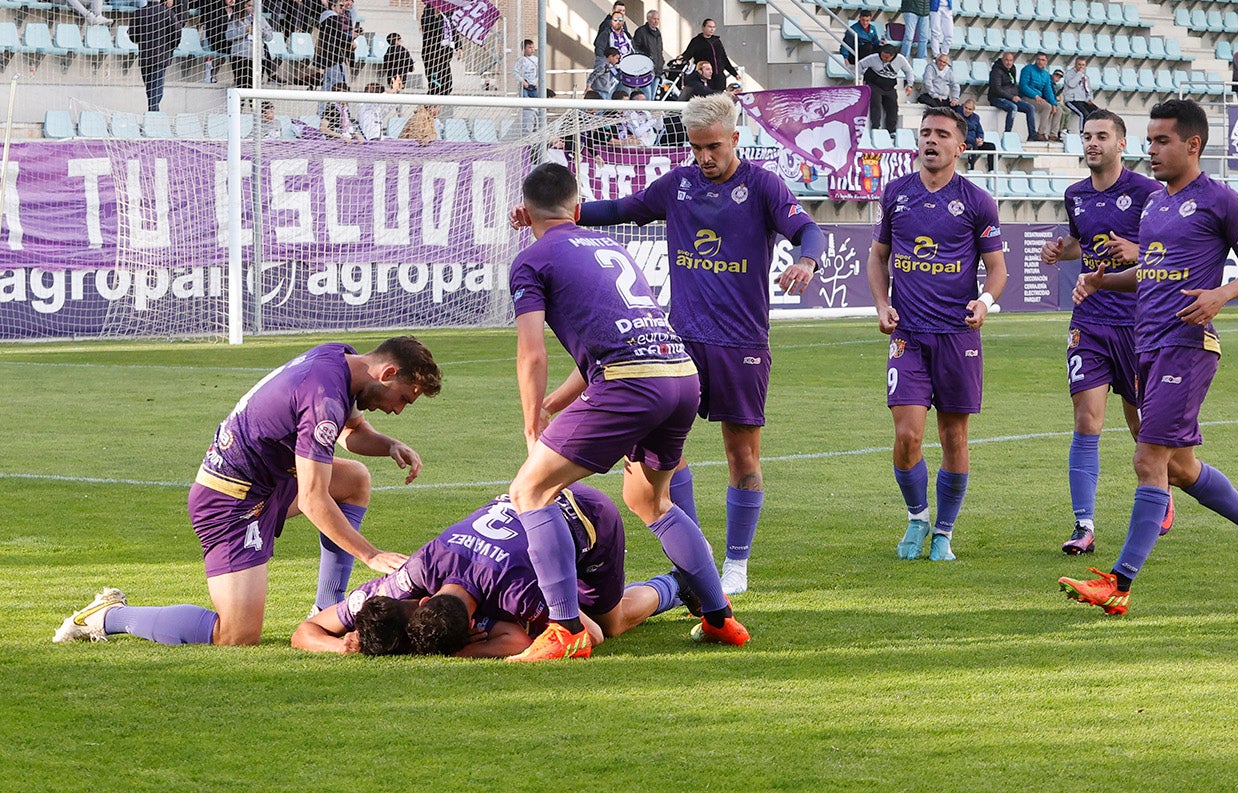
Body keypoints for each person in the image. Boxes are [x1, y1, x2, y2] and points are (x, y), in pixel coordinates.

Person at [569, 94, 825, 595]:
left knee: (743, 456)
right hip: (679, 343)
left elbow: (808, 230)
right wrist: (563, 212)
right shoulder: (678, 186)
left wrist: (807, 261)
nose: (704, 157)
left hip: (741, 343)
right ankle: (697, 550)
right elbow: (622, 208)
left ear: (734, 138)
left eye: (713, 147)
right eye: (695, 148)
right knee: (663, 452)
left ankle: (736, 564)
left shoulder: (763, 186)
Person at [502, 162, 751, 661]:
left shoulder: (532, 260)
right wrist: (557, 403)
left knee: (530, 490)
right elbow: (617, 338)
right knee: (650, 502)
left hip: (630, 383)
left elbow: (532, 353)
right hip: (680, 375)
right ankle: (719, 616)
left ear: (525, 212)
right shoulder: (609, 247)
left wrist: (533, 420)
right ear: (577, 209)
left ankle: (566, 630)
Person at [53, 338, 443, 647]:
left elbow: (351, 433)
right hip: (229, 501)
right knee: (237, 636)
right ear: (388, 372)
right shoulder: (324, 394)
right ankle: (107, 615)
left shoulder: (341, 361)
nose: (398, 410)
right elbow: (311, 499)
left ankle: (327, 610)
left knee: (354, 479)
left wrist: (388, 444)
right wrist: (370, 554)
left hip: (266, 484)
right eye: (404, 398)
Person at [1059, 98, 1238, 616]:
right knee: (1181, 469)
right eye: (1150, 139)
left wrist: (1221, 295)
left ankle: (1118, 585)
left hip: (1187, 344)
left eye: (1162, 141)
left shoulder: (1221, 201)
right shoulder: (1156, 204)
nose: (1151, 149)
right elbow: (1150, 272)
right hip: (1147, 343)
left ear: (1193, 144)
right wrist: (1101, 280)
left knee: (1148, 460)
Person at [292, 484, 688, 657]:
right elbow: (307, 631)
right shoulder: (413, 574)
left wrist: (467, 651)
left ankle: (675, 583)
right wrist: (340, 644)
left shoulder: (516, 591)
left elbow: (591, 635)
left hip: (587, 518)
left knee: (612, 621)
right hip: (526, 508)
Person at [866, 105, 1008, 562]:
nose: (931, 140)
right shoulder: (896, 194)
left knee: (954, 438)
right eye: (925, 132)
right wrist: (883, 304)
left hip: (957, 336)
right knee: (907, 435)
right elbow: (877, 257)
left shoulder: (976, 201)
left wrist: (984, 302)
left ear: (959, 146)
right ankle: (917, 518)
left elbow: (998, 268)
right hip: (908, 335)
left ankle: (944, 532)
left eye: (942, 134)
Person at [1039, 110, 1162, 556]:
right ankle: (1084, 526)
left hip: (1138, 322)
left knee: (1140, 422)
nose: (1092, 143)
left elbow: (1171, 248)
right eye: (1087, 136)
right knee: (1087, 420)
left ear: (1121, 144)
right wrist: (1060, 248)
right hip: (1089, 318)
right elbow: (1081, 242)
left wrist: (1140, 250)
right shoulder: (1076, 195)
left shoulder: (1148, 192)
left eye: (1101, 136)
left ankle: (1159, 487)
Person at [129, 0, 180, 112]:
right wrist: (170, 46)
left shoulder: (139, 13)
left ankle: (153, 112)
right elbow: (177, 32)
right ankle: (153, 113)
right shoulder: (168, 13)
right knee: (156, 88)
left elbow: (133, 36)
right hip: (162, 56)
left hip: (146, 56)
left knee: (150, 87)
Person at [858, 44, 916, 133]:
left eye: (886, 57)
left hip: (889, 86)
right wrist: (859, 76)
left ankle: (891, 131)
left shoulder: (900, 59)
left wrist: (910, 84)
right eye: (882, 56)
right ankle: (875, 127)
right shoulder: (874, 57)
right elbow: (860, 64)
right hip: (874, 84)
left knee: (893, 107)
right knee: (876, 103)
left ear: (892, 56)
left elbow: (909, 71)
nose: (883, 59)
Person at [681, 19, 738, 93]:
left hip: (719, 76)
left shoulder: (717, 41)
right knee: (708, 95)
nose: (712, 29)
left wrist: (734, 73)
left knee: (719, 97)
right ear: (703, 27)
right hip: (706, 77)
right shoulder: (696, 41)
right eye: (709, 27)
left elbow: (724, 59)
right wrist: (682, 57)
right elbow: (688, 54)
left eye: (714, 27)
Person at [988, 51, 1036, 139]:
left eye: (1011, 60)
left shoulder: (1012, 69)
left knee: (1030, 107)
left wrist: (1017, 96)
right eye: (1006, 60)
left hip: (1010, 97)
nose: (1009, 62)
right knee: (1013, 107)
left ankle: (1032, 135)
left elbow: (1012, 84)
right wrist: (1011, 97)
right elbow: (997, 89)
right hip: (996, 98)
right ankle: (1007, 134)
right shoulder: (996, 71)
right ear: (1002, 60)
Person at [1018, 52, 1061, 142]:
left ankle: (1053, 135)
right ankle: (1040, 133)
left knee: (1058, 109)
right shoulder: (1027, 69)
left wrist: (1054, 103)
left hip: (1038, 97)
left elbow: (1048, 90)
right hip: (1026, 96)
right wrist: (1035, 95)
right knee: (1047, 107)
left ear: (1046, 62)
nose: (1040, 62)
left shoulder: (1045, 74)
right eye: (1038, 59)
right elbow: (1023, 86)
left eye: (1042, 60)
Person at [420, 3, 455, 96]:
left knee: (447, 86)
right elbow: (428, 26)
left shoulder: (448, 14)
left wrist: (459, 47)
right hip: (431, 55)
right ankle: (429, 107)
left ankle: (436, 106)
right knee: (435, 86)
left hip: (445, 55)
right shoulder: (429, 12)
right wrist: (436, 14)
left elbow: (453, 31)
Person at [1061, 56, 1096, 132]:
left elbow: (1088, 89)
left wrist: (1089, 98)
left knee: (1097, 112)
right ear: (1075, 64)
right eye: (1079, 64)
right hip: (1072, 100)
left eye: (1083, 65)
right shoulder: (1069, 74)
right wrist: (1079, 74)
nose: (1081, 67)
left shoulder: (1085, 76)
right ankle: (1082, 132)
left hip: (1083, 100)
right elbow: (1071, 84)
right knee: (1084, 114)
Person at [633, 9, 666, 88]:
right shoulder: (641, 31)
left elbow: (659, 50)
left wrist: (661, 62)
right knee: (647, 95)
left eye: (658, 19)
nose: (656, 21)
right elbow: (635, 48)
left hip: (657, 70)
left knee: (653, 97)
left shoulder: (658, 33)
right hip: (646, 70)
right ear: (648, 19)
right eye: (654, 19)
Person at [961, 99, 996, 171]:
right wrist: (974, 140)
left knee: (991, 146)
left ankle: (991, 170)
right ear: (963, 106)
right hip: (964, 142)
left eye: (969, 109)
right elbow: (961, 133)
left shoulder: (976, 118)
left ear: (973, 110)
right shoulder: (958, 117)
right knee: (972, 146)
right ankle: (971, 169)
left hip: (975, 142)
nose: (967, 110)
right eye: (966, 108)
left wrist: (980, 139)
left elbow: (980, 131)